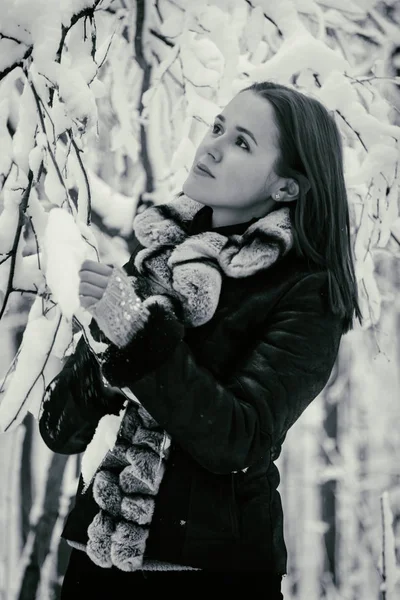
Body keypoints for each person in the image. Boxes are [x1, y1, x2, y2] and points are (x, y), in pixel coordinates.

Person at [38, 81, 362, 598]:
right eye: (217, 127)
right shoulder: (155, 259)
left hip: (213, 576)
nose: (212, 145)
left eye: (242, 142)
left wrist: (138, 339)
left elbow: (238, 439)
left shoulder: (306, 292)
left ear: (286, 187)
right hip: (95, 564)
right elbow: (60, 430)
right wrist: (107, 348)